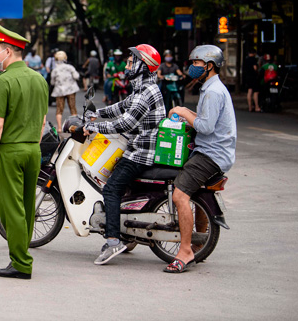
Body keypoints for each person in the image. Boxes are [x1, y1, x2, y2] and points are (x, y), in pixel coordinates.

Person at [82, 44, 165, 265]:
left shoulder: (146, 93)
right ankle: (125, 233)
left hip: (141, 153)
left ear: (142, 66)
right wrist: (95, 113)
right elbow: (120, 107)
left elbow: (125, 122)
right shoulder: (142, 89)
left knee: (110, 188)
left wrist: (96, 127)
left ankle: (112, 241)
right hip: (139, 148)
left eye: (131, 62)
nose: (127, 65)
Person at [0, 22, 48, 279]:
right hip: (33, 149)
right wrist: (32, 144)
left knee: (12, 208)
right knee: (27, 206)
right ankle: (21, 256)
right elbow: (42, 121)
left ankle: (20, 262)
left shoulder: (4, 81)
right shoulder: (39, 79)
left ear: (7, 51)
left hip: (10, 151)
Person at [167, 45, 236, 273]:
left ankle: (185, 251)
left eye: (196, 64)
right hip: (213, 151)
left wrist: (183, 112)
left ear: (209, 66)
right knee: (194, 193)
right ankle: (199, 243)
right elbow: (207, 120)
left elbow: (205, 127)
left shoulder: (214, 92)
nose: (192, 67)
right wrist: (186, 112)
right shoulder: (210, 88)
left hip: (211, 154)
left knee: (180, 195)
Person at [50, 50, 81, 128]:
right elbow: (77, 76)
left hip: (59, 91)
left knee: (59, 109)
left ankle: (59, 128)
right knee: (73, 108)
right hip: (71, 90)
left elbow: (52, 83)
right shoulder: (70, 67)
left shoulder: (55, 70)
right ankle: (75, 126)